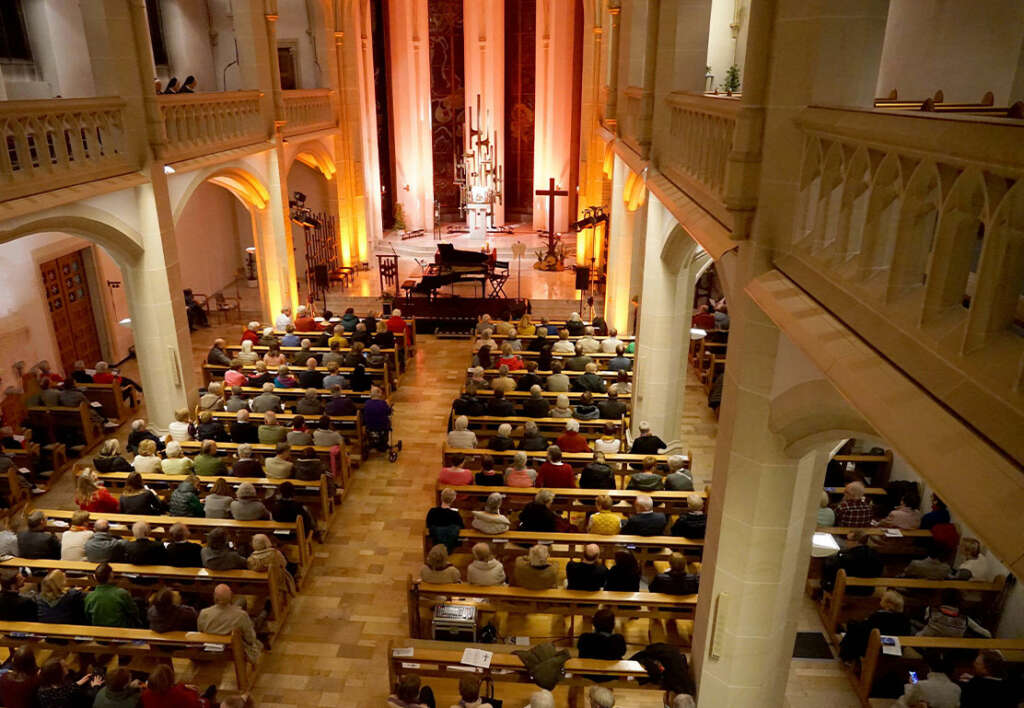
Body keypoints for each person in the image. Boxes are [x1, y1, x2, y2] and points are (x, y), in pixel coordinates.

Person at [838, 590, 911, 661]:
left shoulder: (879, 617)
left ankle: (848, 658)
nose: (881, 599)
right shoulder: (905, 620)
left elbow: (864, 631)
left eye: (883, 598)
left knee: (853, 631)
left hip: (876, 650)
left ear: (889, 605)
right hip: (896, 651)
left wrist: (852, 624)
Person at [822, 530, 882, 595]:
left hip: (846, 590)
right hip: (868, 591)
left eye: (848, 539)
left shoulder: (847, 557)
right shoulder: (876, 555)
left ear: (857, 542)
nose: (846, 542)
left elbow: (834, 573)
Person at [35, 658, 102, 707]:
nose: (67, 664)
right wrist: (95, 686)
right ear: (58, 674)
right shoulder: (66, 694)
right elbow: (88, 700)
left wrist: (78, 683)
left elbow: (64, 690)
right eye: (64, 666)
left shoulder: (42, 688)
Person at [140, 664, 206, 708]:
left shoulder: (145, 694)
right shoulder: (179, 695)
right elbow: (196, 704)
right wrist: (195, 693)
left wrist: (184, 686)